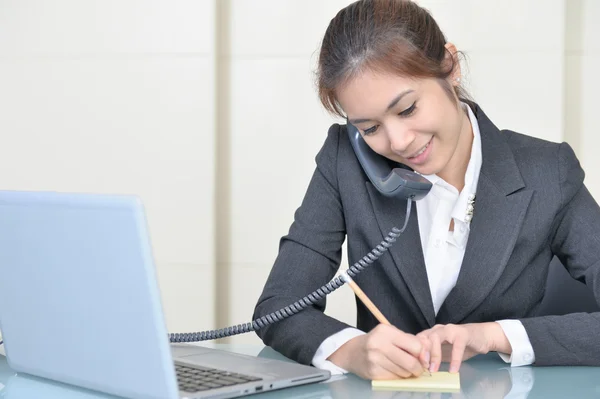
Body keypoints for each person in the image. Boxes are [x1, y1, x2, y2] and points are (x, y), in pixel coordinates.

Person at [252, 0, 600, 381]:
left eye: (407, 110)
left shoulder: (549, 172)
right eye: (369, 129)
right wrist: (353, 351)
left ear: (450, 67)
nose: (398, 142)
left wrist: (493, 336)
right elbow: (279, 306)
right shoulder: (345, 162)